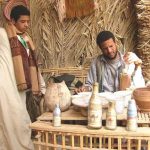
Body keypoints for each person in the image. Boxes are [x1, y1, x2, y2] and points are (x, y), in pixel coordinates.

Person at [5, 4, 46, 122]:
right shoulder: (8, 38)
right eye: (23, 21)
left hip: (25, 85)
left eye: (28, 21)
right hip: (13, 85)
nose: (26, 25)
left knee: (24, 114)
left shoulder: (25, 38)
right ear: (13, 21)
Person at [76, 31, 145, 93]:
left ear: (115, 43)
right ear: (100, 49)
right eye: (105, 48)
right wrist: (84, 89)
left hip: (121, 101)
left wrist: (137, 64)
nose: (109, 51)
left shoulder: (127, 60)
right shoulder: (96, 63)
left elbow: (138, 85)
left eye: (111, 46)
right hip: (103, 101)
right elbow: (90, 85)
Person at [0, 27, 34, 150]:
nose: (26, 25)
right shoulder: (6, 33)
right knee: (10, 115)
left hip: (16, 83)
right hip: (7, 82)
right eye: (23, 21)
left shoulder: (16, 36)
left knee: (17, 115)